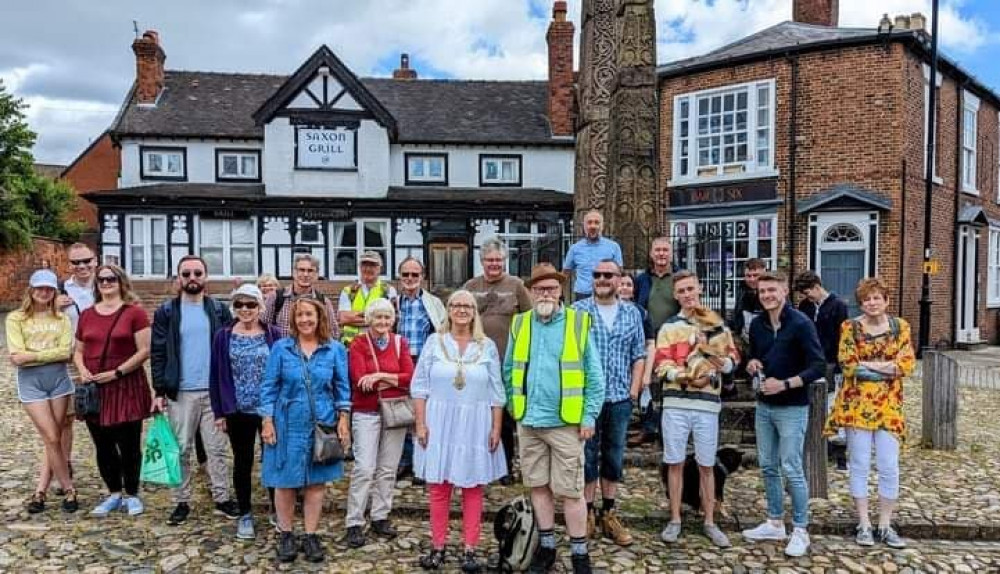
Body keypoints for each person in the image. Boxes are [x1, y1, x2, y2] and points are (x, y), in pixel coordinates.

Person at [503, 263, 605, 574]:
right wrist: (513, 406)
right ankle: (546, 547)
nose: (545, 293)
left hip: (566, 423)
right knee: (537, 486)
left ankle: (579, 553)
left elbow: (594, 376)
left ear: (561, 291)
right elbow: (510, 370)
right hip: (530, 422)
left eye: (551, 288)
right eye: (539, 289)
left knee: (572, 491)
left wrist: (588, 416)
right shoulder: (520, 324)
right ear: (531, 293)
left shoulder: (577, 322)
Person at [412, 290, 506, 571]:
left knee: (472, 488)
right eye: (456, 304)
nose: (461, 309)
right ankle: (438, 546)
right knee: (439, 488)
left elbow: (496, 391)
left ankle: (470, 550)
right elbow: (419, 386)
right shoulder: (434, 342)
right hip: (439, 421)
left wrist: (496, 427)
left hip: (476, 423)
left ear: (474, 311)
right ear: (448, 309)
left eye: (467, 305)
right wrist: (420, 422)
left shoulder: (486, 346)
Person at [825, 278, 915, 549]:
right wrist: (887, 367)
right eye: (866, 299)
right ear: (860, 303)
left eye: (877, 298)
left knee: (889, 465)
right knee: (860, 464)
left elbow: (907, 365)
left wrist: (873, 365)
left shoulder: (901, 327)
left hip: (889, 406)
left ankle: (885, 524)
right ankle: (864, 522)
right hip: (857, 406)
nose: (872, 303)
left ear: (886, 300)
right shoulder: (850, 328)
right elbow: (850, 366)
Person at [260, 298, 351, 563]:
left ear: (319, 317)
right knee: (284, 481)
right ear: (293, 319)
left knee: (316, 482)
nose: (304, 320)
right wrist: (267, 420)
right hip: (286, 422)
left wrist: (343, 418)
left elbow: (342, 388)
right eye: (299, 315)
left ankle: (311, 535)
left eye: (309, 314)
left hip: (321, 422)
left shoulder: (334, 350)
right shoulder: (281, 348)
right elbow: (268, 387)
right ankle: (286, 534)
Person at [741, 271, 825, 558]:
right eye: (763, 291)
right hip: (764, 406)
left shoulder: (801, 324)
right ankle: (775, 521)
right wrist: (751, 363)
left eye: (772, 290)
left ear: (785, 291)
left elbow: (817, 366)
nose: (767, 296)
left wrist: (786, 384)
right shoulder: (757, 326)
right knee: (767, 466)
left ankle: (800, 528)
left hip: (792, 407)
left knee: (791, 467)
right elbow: (753, 356)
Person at [652, 271, 739, 548]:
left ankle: (710, 521)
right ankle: (675, 518)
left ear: (699, 288)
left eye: (691, 288)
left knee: (707, 464)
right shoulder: (668, 327)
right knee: (675, 462)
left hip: (707, 405)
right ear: (676, 295)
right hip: (676, 402)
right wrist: (687, 377)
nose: (687, 295)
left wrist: (719, 365)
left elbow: (732, 357)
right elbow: (662, 365)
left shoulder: (716, 325)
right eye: (682, 291)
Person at [151, 255, 239, 525]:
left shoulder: (218, 310)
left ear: (206, 277)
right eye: (186, 273)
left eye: (197, 273)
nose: (192, 278)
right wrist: (159, 391)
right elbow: (157, 352)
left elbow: (228, 350)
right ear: (178, 278)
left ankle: (222, 497)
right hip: (181, 392)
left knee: (217, 449)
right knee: (180, 449)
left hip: (213, 393)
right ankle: (181, 501)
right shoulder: (166, 312)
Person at [571, 260, 645, 547]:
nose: (602, 279)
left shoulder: (632, 313)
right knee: (587, 456)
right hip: (586, 399)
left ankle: (609, 512)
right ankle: (587, 512)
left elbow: (639, 353)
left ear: (619, 279)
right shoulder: (577, 312)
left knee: (614, 456)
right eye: (597, 275)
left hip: (619, 398)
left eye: (608, 275)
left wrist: (634, 389)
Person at [73, 264, 151, 517]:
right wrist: (82, 370)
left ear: (120, 282)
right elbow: (78, 350)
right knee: (103, 444)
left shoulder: (134, 313)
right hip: (95, 388)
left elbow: (144, 350)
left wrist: (118, 372)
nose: (105, 283)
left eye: (111, 279)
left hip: (125, 384)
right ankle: (114, 492)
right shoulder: (86, 314)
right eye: (101, 279)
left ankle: (131, 493)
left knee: (128, 444)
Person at [209, 284, 282, 540]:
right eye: (239, 304)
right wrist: (219, 412)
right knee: (242, 462)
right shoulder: (224, 335)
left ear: (260, 307)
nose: (245, 309)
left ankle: (277, 509)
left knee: (272, 461)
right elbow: (216, 375)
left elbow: (281, 371)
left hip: (268, 411)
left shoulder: (273, 334)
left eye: (250, 304)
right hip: (237, 409)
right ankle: (245, 513)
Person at [345, 299, 415, 548]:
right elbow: (359, 380)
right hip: (367, 412)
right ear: (369, 319)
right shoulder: (359, 343)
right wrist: (391, 380)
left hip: (395, 413)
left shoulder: (400, 343)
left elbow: (410, 379)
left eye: (387, 317)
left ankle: (380, 515)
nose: (383, 322)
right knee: (364, 467)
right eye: (378, 317)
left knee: (388, 467)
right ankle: (354, 521)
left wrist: (381, 376)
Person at [6, 269, 77, 513]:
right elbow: (16, 356)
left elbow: (66, 353)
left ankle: (41, 492)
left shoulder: (63, 318)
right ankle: (68, 488)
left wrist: (32, 355)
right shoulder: (16, 318)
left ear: (55, 291)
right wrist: (48, 355)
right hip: (31, 383)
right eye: (40, 288)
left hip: (59, 382)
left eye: (49, 288)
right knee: (52, 437)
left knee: (53, 437)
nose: (44, 292)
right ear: (31, 290)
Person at [463, 238, 533, 484]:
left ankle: (506, 467)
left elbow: (530, 319)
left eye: (498, 260)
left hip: (509, 363)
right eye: (489, 260)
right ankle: (477, 464)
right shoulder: (470, 286)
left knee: (504, 418)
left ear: (504, 261)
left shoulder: (516, 286)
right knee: (477, 416)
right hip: (477, 364)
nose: (494, 264)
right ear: (482, 261)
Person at [50, 242, 97, 494]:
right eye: (76, 262)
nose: (82, 266)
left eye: (86, 261)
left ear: (95, 260)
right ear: (68, 265)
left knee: (104, 418)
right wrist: (51, 309)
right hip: (68, 363)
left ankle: (115, 470)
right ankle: (65, 469)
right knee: (65, 420)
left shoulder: (106, 285)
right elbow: (35, 318)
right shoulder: (58, 291)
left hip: (100, 362)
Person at [395, 257, 446, 481]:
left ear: (422, 277)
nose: (410, 279)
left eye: (414, 275)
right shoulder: (393, 301)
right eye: (405, 274)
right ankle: (405, 460)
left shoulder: (434, 303)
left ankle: (422, 462)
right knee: (402, 411)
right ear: (400, 277)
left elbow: (443, 332)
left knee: (424, 412)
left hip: (425, 362)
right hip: (399, 362)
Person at [794, 270, 850, 470]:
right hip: (810, 361)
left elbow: (842, 337)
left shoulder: (838, 306)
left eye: (808, 292)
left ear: (817, 287)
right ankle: (818, 447)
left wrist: (840, 365)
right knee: (813, 403)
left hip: (831, 361)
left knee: (832, 405)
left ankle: (839, 452)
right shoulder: (805, 306)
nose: (807, 296)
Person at [631, 237, 678, 447]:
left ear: (671, 253)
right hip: (647, 338)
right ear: (651, 254)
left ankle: (669, 430)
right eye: (657, 250)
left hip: (673, 339)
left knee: (670, 383)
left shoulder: (679, 277)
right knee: (646, 383)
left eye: (665, 250)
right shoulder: (642, 279)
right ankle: (648, 428)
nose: (661, 254)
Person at [263, 254, 339, 339]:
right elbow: (262, 328)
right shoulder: (276, 298)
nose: (305, 274)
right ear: (294, 272)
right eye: (301, 270)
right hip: (282, 351)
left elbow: (333, 333)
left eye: (310, 271)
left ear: (316, 275)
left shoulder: (323, 302)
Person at [338, 250, 398, 345]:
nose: (368, 269)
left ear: (380, 268)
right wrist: (376, 317)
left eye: (372, 265)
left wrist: (355, 316)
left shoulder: (389, 291)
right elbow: (343, 319)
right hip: (351, 345)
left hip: (378, 345)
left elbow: (391, 321)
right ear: (359, 267)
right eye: (365, 265)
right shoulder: (348, 290)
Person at [562, 210, 623, 301]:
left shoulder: (613, 247)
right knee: (579, 316)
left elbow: (619, 273)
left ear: (602, 226)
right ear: (584, 226)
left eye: (597, 222)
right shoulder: (575, 249)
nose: (593, 226)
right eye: (589, 222)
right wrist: (560, 294)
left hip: (606, 293)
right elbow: (565, 274)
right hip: (582, 295)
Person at [730, 258, 767, 348]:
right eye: (748, 276)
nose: (752, 279)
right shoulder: (742, 292)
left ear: (764, 273)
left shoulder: (773, 294)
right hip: (746, 344)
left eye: (756, 275)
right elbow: (737, 318)